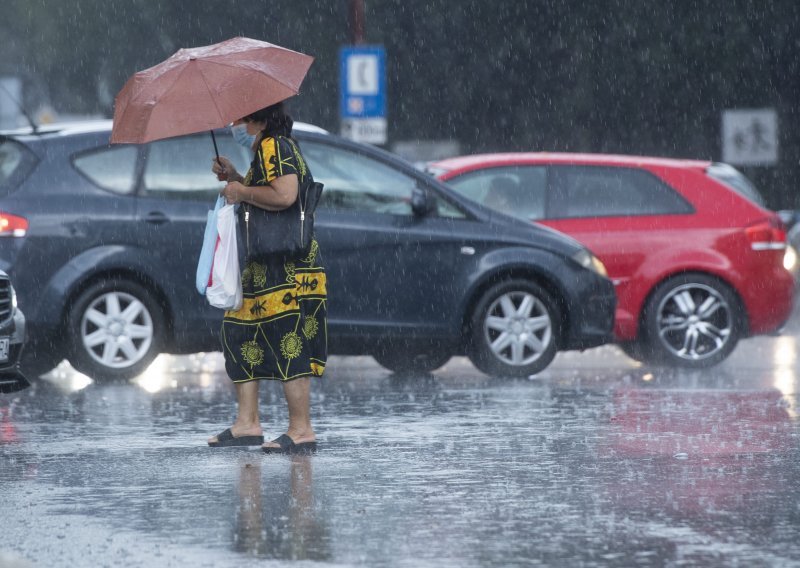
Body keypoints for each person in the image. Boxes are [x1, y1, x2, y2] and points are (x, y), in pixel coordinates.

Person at [208, 102, 327, 454]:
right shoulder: (267, 146)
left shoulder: (276, 144)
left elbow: (285, 196)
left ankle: (301, 429)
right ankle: (247, 424)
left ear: (256, 118)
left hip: (286, 266)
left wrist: (240, 192)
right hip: (264, 262)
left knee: (287, 338)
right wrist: (237, 178)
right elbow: (268, 193)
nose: (233, 124)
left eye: (238, 117)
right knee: (242, 332)